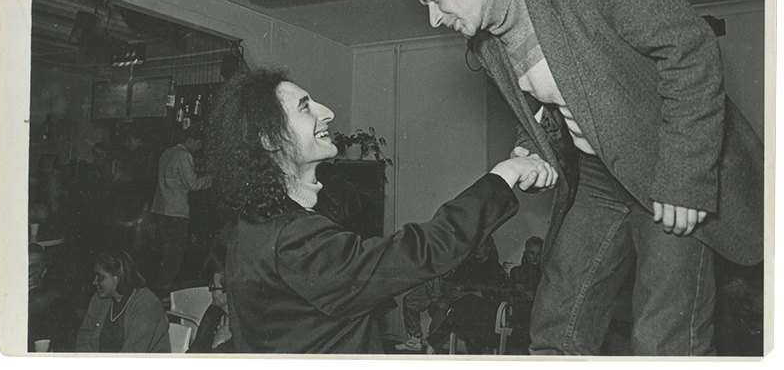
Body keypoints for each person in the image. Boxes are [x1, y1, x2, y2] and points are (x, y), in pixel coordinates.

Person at [390, 0, 763, 356]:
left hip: (666, 160)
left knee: (664, 339)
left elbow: (691, 48)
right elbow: (547, 99)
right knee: (556, 323)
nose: (433, 19)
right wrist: (531, 147)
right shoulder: (486, 41)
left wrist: (684, 178)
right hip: (599, 174)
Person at [204, 69, 557, 353]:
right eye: (305, 107)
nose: (327, 112)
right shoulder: (293, 239)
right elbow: (419, 252)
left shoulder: (252, 226)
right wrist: (504, 176)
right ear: (269, 139)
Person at [150, 128, 213, 296]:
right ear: (189, 140)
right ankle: (163, 291)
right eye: (198, 143)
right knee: (174, 256)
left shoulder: (167, 153)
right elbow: (193, 184)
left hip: (162, 209)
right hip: (177, 211)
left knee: (165, 254)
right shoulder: (184, 156)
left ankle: (161, 290)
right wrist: (211, 179)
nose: (199, 147)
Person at [424, 235, 511, 354]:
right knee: (463, 309)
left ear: (488, 248)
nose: (477, 249)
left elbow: (491, 293)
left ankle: (434, 341)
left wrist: (464, 294)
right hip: (468, 309)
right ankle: (471, 353)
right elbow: (460, 282)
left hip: (487, 309)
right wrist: (459, 287)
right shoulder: (470, 265)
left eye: (481, 246)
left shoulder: (494, 267)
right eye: (476, 246)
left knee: (466, 303)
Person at [76, 250, 170, 352]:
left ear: (119, 276)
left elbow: (133, 354)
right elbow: (85, 335)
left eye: (100, 277)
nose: (94, 282)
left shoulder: (146, 303)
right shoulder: (99, 300)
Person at [187, 270, 234, 353]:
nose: (210, 291)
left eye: (214, 287)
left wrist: (219, 345)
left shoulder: (242, 321)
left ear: (226, 293)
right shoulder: (213, 311)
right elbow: (197, 346)